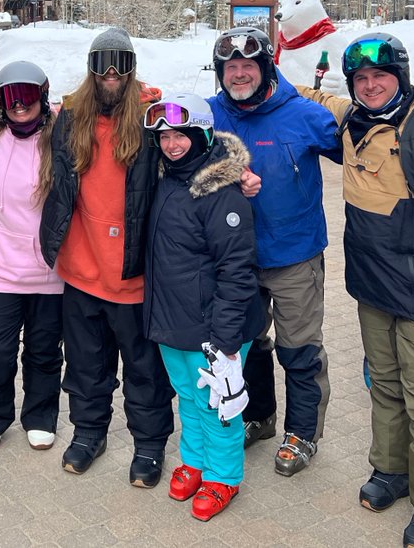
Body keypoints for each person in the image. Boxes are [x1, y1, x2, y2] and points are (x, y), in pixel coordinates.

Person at [298, 33, 414, 548]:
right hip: (373, 288)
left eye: (381, 76)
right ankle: (391, 472)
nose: (371, 85)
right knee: (384, 387)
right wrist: (259, 78)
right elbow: (312, 96)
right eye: (360, 78)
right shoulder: (353, 120)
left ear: (400, 77)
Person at [39, 27, 174, 488]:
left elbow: (195, 152)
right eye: (102, 63)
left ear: (132, 67)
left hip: (132, 273)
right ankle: (89, 432)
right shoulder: (71, 117)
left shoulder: (154, 119)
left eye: (120, 62)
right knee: (85, 366)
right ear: (91, 69)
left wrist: (237, 172)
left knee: (144, 370)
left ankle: (150, 444)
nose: (111, 73)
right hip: (81, 269)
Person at [207, 26, 340, 477]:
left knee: (299, 348)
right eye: (231, 67)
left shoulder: (304, 115)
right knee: (246, 345)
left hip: (294, 255)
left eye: (248, 66)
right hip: (235, 257)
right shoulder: (210, 115)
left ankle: (302, 431)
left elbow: (363, 140)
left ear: (266, 69)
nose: (239, 74)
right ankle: (259, 417)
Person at [142, 93, 265, 522]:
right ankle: (194, 461)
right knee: (189, 398)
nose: (172, 144)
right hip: (174, 322)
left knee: (218, 404)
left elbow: (238, 269)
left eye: (181, 135)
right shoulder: (166, 178)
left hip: (215, 328)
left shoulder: (220, 192)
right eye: (165, 136)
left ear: (202, 134)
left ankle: (223, 476)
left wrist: (226, 338)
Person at [0, 61, 63, 453]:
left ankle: (40, 416)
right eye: (10, 96)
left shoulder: (62, 140)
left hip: (48, 270)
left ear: (42, 97)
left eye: (27, 96)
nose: (19, 105)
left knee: (43, 349)